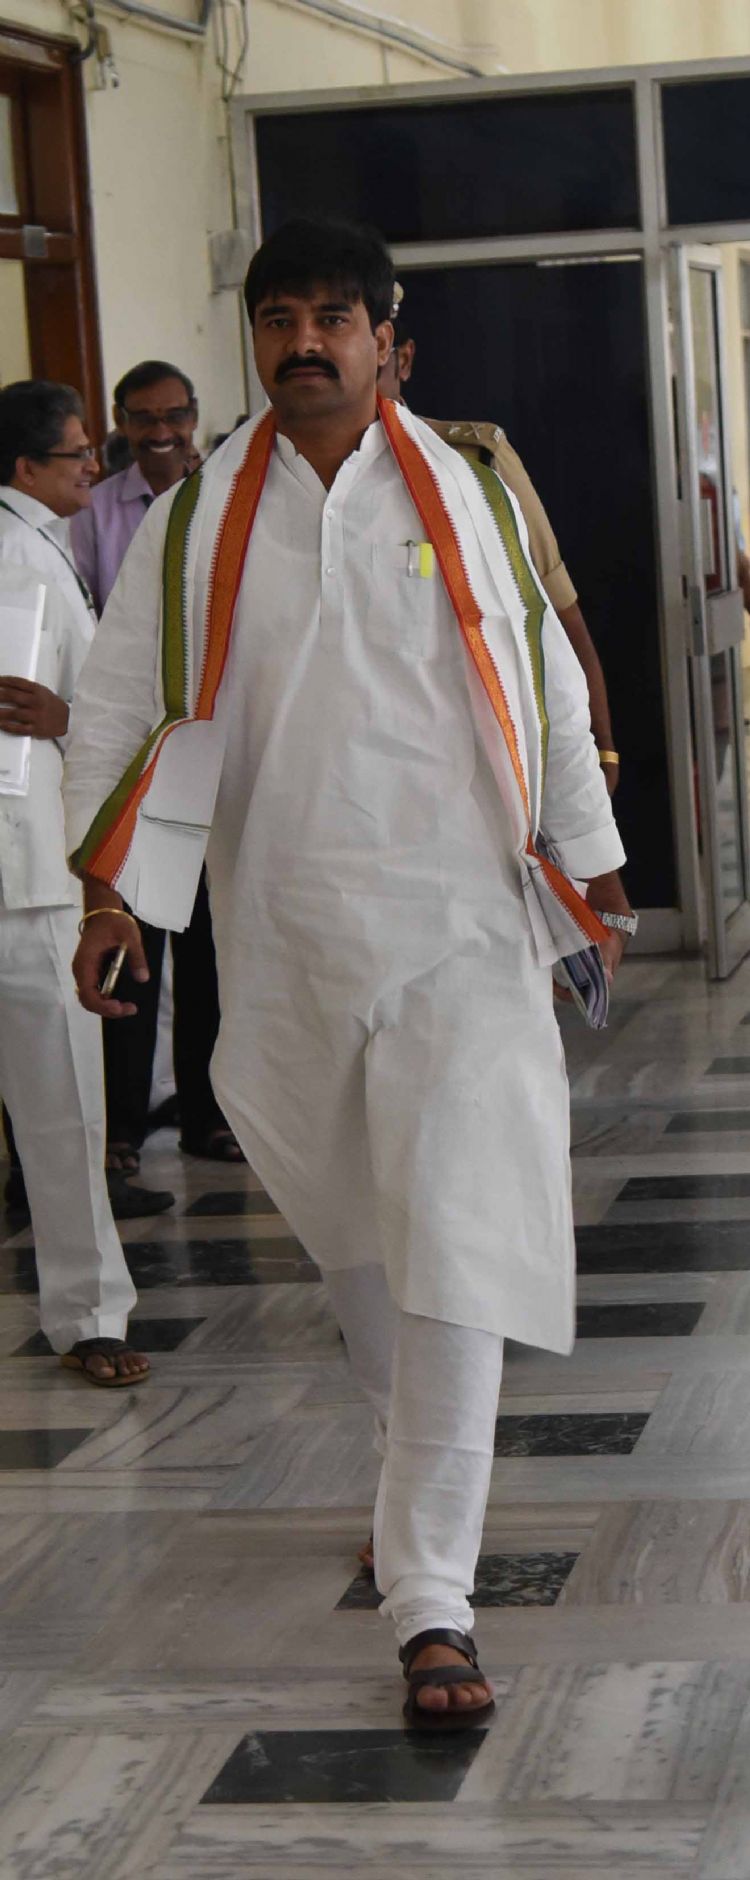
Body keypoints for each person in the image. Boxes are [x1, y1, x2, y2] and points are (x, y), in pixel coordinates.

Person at [65, 218, 634, 1723]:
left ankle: (432, 1600)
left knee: (451, 1242)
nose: (303, 340)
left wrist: (591, 857)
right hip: (287, 934)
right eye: (278, 317)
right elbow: (119, 702)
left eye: (332, 316)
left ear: (391, 340)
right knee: (355, 1243)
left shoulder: (466, 490)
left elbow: (543, 678)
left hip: (460, 930)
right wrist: (109, 893)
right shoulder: (196, 521)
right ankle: (407, 1484)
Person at [0, 380, 150, 1385]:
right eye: (76, 453)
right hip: (28, 877)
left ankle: (90, 1310)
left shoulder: (42, 545)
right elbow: (61, 717)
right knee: (62, 1110)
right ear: (26, 468)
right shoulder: (22, 557)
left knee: (60, 1108)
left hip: (32, 866)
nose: (93, 467)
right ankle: (90, 1315)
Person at [70, 361, 242, 1172]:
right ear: (122, 423)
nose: (162, 432)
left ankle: (209, 1115)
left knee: (208, 946)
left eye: (175, 415)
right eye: (144, 419)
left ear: (194, 415)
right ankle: (122, 1128)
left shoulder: (226, 503)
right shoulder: (94, 515)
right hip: (135, 758)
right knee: (130, 944)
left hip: (211, 755)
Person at [378, 328, 620, 795]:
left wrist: (602, 748)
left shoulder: (474, 462)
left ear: (402, 361)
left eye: (376, 365)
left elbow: (559, 613)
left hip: (475, 761)